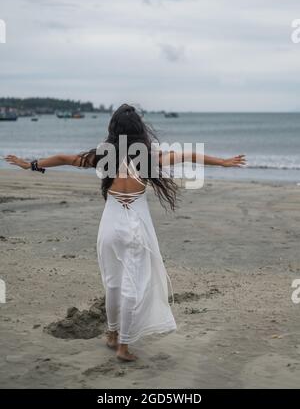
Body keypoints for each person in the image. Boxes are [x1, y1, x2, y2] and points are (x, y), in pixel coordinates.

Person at [5, 104, 246, 361]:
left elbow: (65, 158)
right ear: (139, 130)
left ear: (113, 130)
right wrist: (223, 162)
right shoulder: (148, 158)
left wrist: (29, 164)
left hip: (109, 225)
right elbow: (187, 155)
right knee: (134, 284)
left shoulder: (103, 157)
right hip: (136, 228)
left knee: (113, 284)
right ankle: (124, 346)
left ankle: (112, 334)